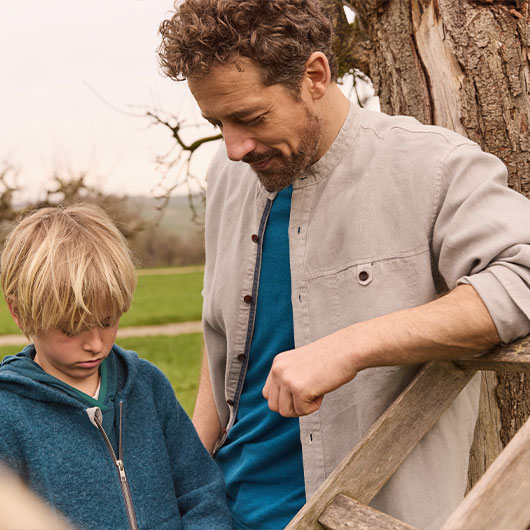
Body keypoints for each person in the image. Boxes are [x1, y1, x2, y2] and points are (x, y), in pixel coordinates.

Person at [158, 1, 530, 528]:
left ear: (315, 75)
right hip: (221, 513)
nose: (233, 146)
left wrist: (350, 346)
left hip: (357, 514)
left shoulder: (434, 166)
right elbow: (220, 337)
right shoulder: (227, 174)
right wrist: (187, 482)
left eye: (249, 117)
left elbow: (523, 276)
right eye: (216, 122)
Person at [0, 204, 232, 530]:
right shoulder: (8, 413)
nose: (96, 344)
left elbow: (200, 489)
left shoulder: (148, 386)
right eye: (71, 328)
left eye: (108, 322)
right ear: (19, 312)